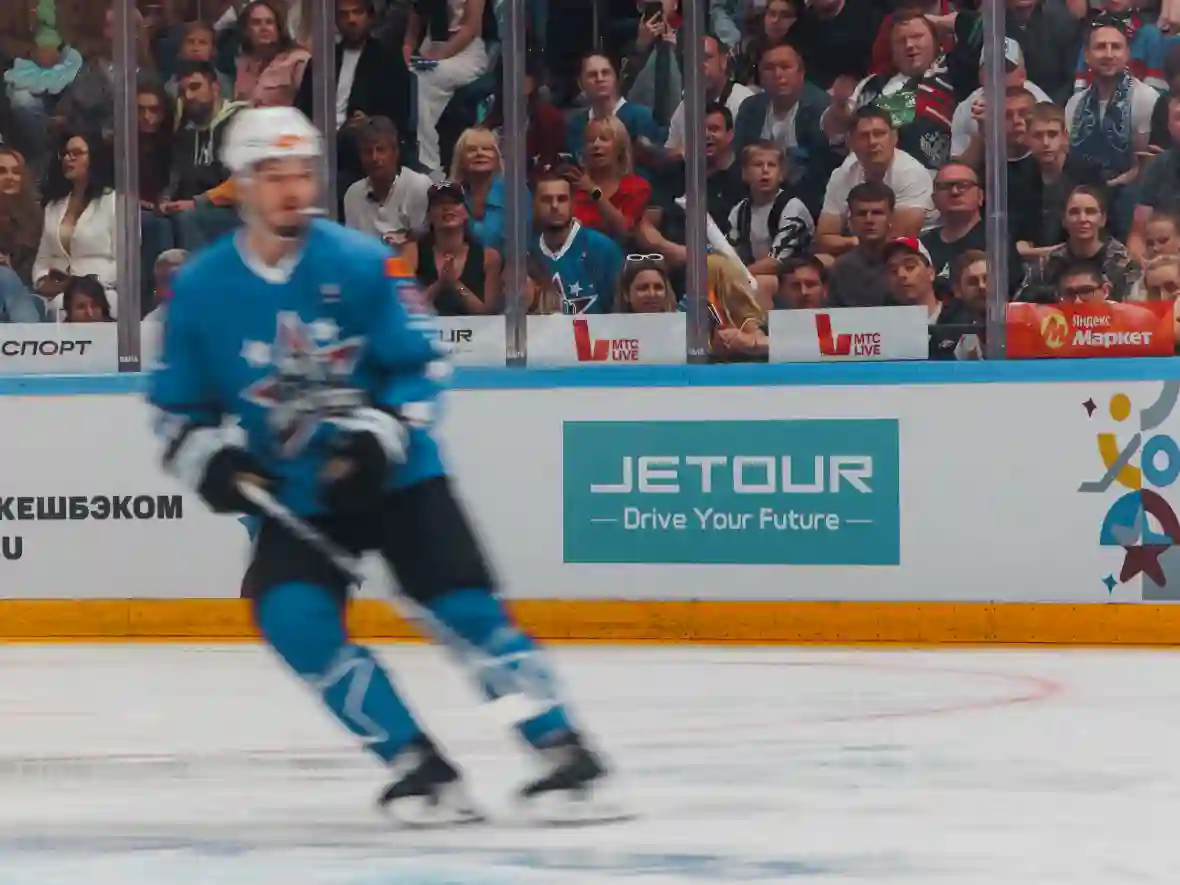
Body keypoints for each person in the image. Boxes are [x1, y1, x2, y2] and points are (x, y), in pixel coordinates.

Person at [148, 106, 622, 826]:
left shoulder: (360, 262)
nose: (291, 188)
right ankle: (418, 764)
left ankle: (563, 749)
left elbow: (421, 364)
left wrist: (377, 435)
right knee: (292, 615)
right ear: (240, 184)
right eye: (272, 174)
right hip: (299, 493)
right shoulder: (203, 289)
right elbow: (176, 408)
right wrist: (213, 460)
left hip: (398, 476)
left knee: (462, 608)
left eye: (301, 173)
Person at [32, 128, 117, 318]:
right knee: (53, 306)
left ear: (94, 158)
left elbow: (126, 262)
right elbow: (42, 259)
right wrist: (42, 281)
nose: (68, 159)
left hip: (103, 291)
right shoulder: (53, 205)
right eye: (65, 153)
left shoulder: (115, 202)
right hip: (58, 292)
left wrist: (86, 284)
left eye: (76, 153)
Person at [402, 0, 492, 175]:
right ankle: (413, 154)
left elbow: (470, 29)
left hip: (465, 53)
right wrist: (406, 53)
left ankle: (430, 162)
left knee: (426, 79)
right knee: (408, 77)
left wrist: (438, 57)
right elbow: (411, 32)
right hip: (430, 50)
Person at [530, 171, 623, 314]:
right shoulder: (526, 253)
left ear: (573, 203)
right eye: (546, 200)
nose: (554, 205)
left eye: (562, 199)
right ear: (534, 204)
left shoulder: (603, 249)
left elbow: (620, 313)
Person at [404, 180, 502, 315]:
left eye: (454, 203)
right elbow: (406, 308)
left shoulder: (488, 257)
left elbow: (487, 312)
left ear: (466, 212)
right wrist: (439, 285)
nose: (447, 208)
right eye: (439, 204)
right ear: (429, 215)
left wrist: (456, 284)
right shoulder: (412, 252)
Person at [343, 116, 432, 245]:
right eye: (368, 151)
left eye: (381, 150)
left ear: (395, 152)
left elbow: (423, 244)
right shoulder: (353, 194)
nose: (374, 158)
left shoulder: (419, 186)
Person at [570, 115, 651, 243]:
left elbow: (625, 232)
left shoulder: (637, 187)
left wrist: (595, 193)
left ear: (620, 148)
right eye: (590, 140)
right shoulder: (573, 186)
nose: (596, 144)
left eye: (604, 139)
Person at [234, 0, 310, 108]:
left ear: (278, 28)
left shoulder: (298, 61)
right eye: (256, 23)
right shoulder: (242, 65)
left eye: (269, 22)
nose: (263, 28)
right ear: (246, 31)